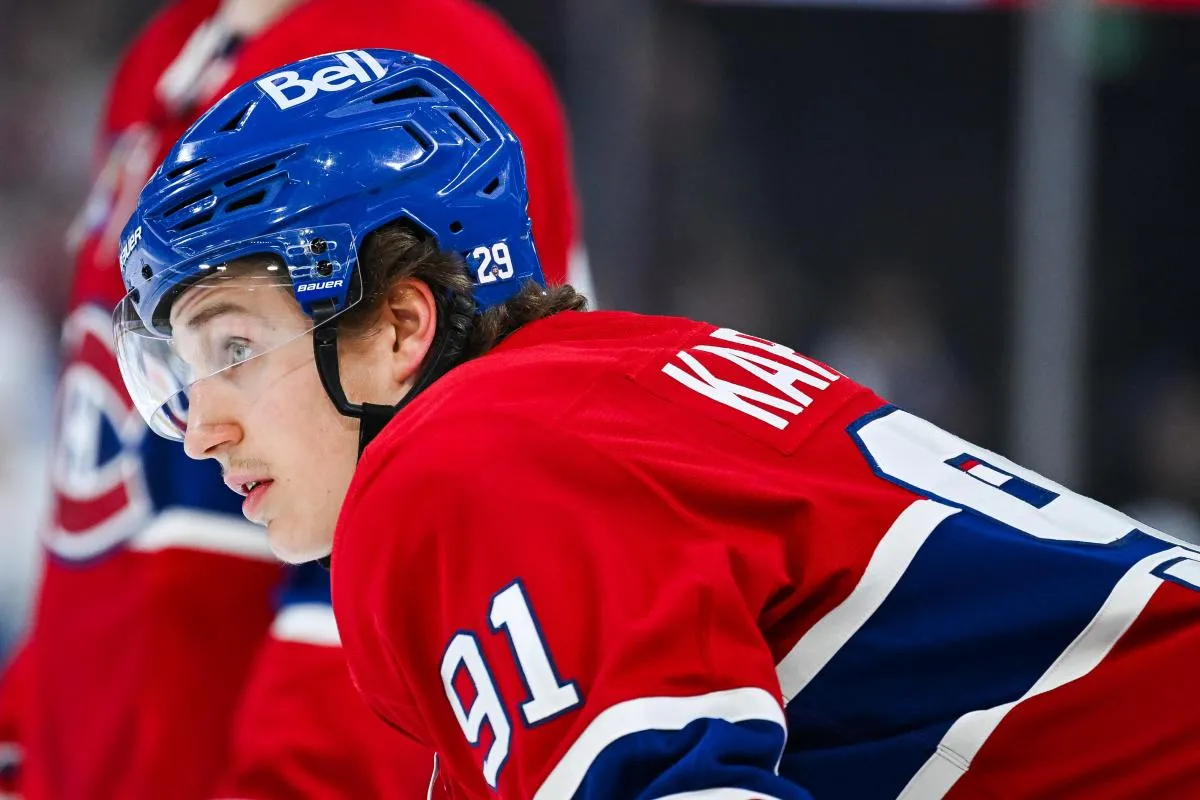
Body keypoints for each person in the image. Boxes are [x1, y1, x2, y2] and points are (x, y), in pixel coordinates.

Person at [114, 47, 1200, 799]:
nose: (199, 427)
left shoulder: (463, 456)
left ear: (401, 326)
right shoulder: (609, 381)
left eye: (233, 347)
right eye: (184, 365)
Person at [3, 1, 585, 797]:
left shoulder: (409, 69)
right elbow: (111, 501)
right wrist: (31, 737)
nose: (204, 432)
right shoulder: (172, 55)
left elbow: (432, 542)